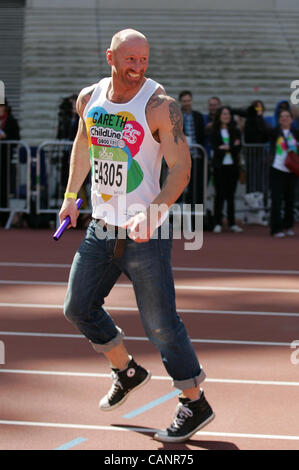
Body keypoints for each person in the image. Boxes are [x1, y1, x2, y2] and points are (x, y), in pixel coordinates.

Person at [59, 29, 214, 443]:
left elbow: (181, 168)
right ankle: (126, 370)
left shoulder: (159, 106)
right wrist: (72, 196)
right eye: (130, 59)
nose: (138, 67)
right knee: (77, 307)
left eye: (144, 60)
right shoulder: (89, 98)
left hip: (147, 235)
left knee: (162, 325)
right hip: (100, 228)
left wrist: (154, 212)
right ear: (111, 57)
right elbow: (83, 144)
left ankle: (195, 402)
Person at [209, 106, 243, 233]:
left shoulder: (235, 131)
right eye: (224, 114)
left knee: (231, 196)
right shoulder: (215, 131)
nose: (226, 116)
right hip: (220, 167)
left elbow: (238, 147)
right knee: (219, 195)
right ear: (219, 116)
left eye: (228, 114)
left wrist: (226, 148)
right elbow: (215, 148)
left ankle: (232, 223)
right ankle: (217, 222)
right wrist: (228, 148)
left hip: (232, 167)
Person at [268, 109, 299, 238]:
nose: (285, 118)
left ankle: (288, 226)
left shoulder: (296, 133)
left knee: (290, 199)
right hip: (277, 169)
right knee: (276, 199)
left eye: (287, 116)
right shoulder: (274, 132)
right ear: (279, 119)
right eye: (282, 117)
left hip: (291, 170)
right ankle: (276, 228)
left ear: (292, 119)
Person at [178, 90, 205, 206]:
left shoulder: (198, 116)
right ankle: (176, 219)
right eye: (184, 101)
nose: (186, 103)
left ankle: (196, 219)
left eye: (188, 100)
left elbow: (201, 134)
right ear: (180, 102)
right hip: (180, 157)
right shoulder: (176, 115)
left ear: (191, 101)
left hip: (195, 155)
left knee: (196, 186)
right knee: (177, 186)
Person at [0, 99, 20, 227]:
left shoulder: (11, 121)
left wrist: (5, 136)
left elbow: (16, 139)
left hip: (4, 160)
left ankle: (3, 218)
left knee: (3, 189)